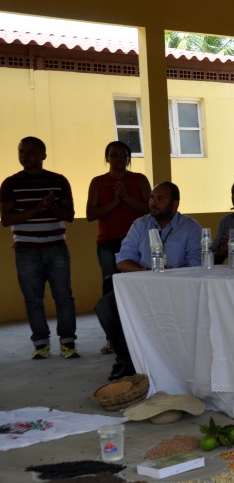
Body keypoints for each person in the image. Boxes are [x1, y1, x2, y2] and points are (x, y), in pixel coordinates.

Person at [95, 181, 203, 380]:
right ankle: (127, 361)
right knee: (105, 307)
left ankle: (171, 365)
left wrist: (171, 274)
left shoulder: (191, 228)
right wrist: (146, 271)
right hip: (141, 287)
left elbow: (196, 264)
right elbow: (122, 260)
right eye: (152, 198)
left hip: (175, 289)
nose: (153, 202)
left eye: (160, 198)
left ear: (175, 203)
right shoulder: (140, 225)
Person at [1, 136, 78, 359]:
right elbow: (6, 219)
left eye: (31, 151)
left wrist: (51, 206)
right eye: (21, 151)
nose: (25, 155)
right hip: (26, 249)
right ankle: (41, 343)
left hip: (56, 247)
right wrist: (37, 208)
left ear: (43, 155)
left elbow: (69, 215)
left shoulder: (59, 181)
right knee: (33, 298)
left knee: (63, 296)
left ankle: (68, 342)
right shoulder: (10, 183)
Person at [86, 141, 151, 354]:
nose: (119, 158)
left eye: (123, 154)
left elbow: (150, 209)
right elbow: (91, 214)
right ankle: (113, 339)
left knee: (138, 285)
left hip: (137, 242)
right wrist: (115, 202)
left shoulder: (139, 180)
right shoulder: (98, 182)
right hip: (108, 242)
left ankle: (140, 335)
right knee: (111, 287)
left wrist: (126, 198)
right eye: (114, 154)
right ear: (107, 158)